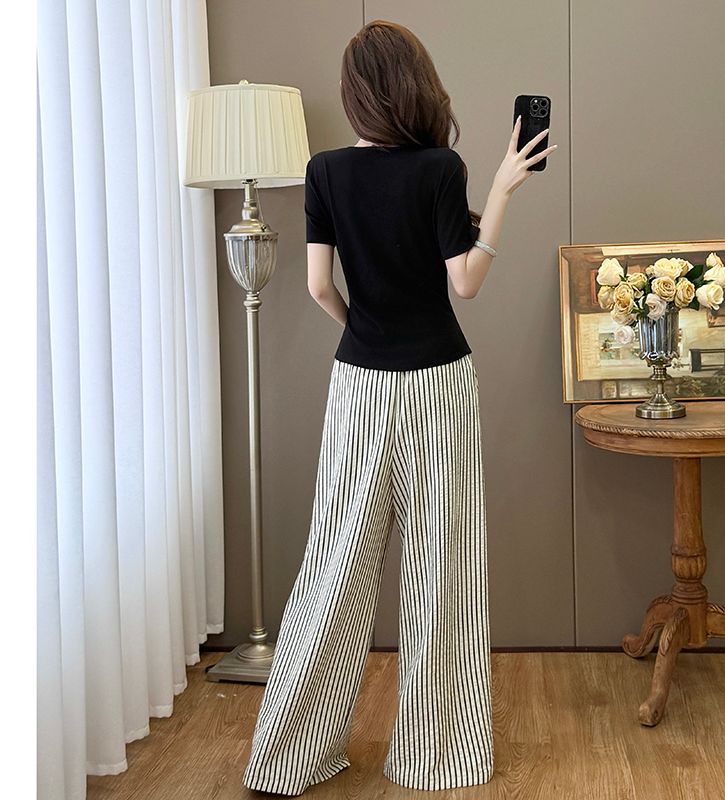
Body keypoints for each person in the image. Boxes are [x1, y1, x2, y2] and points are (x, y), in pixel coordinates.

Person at [243, 19, 557, 796]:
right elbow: (466, 283)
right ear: (418, 84)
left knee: (335, 562)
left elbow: (319, 286)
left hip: (357, 383)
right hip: (437, 382)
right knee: (440, 566)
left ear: (355, 95)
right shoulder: (441, 169)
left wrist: (364, 330)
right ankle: (434, 756)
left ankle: (286, 757)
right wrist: (502, 190)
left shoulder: (324, 172)